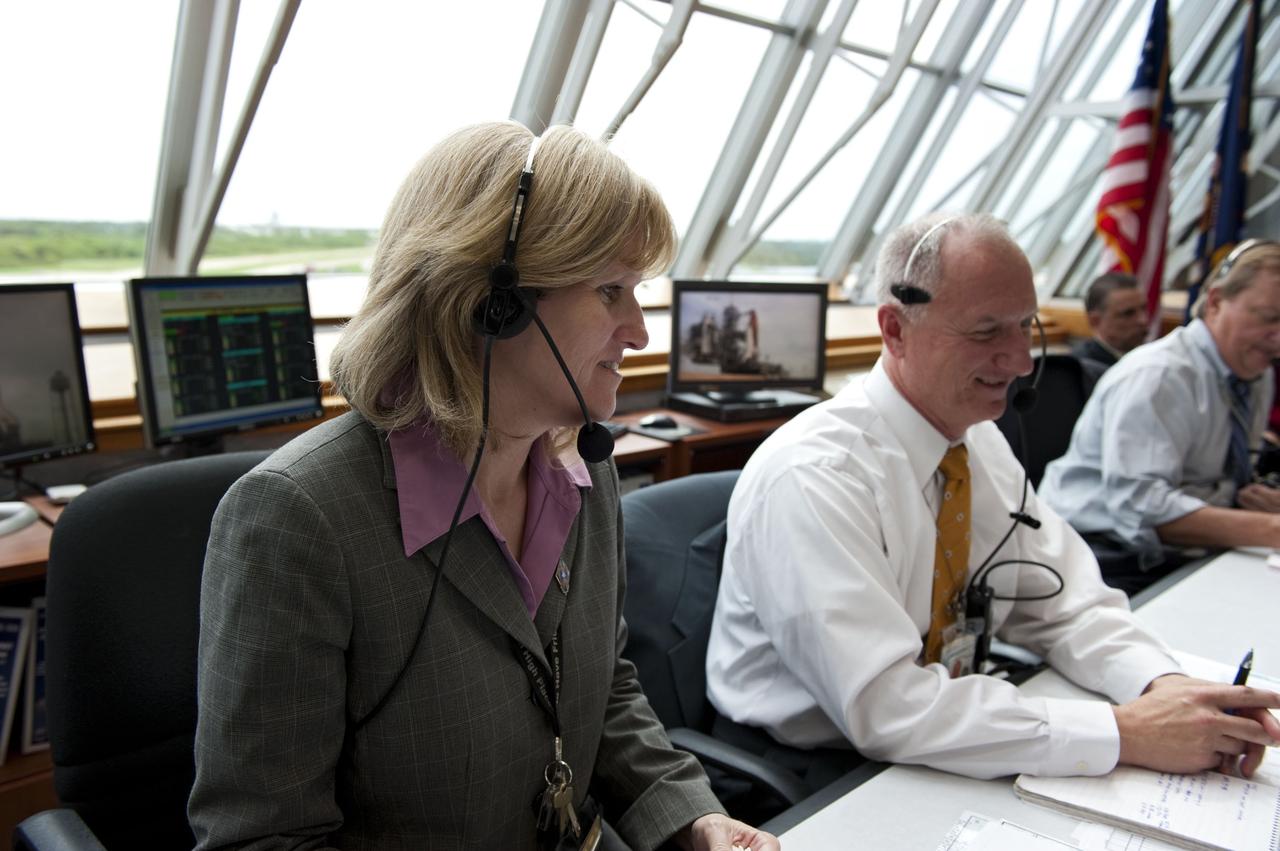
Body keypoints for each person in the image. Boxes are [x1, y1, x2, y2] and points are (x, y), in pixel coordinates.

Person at [188, 122, 778, 851]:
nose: (638, 331)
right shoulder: (296, 518)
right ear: (493, 299)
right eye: (609, 289)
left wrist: (692, 817)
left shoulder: (584, 469)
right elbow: (262, 839)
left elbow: (604, 688)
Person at [705, 213, 1280, 781]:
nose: (1022, 360)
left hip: (941, 727)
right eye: (986, 332)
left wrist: (1165, 690)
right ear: (895, 329)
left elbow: (1066, 603)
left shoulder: (974, 442)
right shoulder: (815, 476)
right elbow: (887, 707)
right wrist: (1126, 733)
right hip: (815, 770)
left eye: (1025, 326)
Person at [1041, 240, 1280, 593]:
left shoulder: (1253, 373)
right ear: (1215, 302)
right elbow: (1145, 509)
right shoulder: (1159, 377)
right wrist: (1271, 528)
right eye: (1269, 318)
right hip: (1098, 559)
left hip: (1177, 555)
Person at [1072, 273, 1148, 368]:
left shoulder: (1150, 357)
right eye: (1128, 313)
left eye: (1143, 309)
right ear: (1095, 321)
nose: (1143, 320)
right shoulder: (1081, 369)